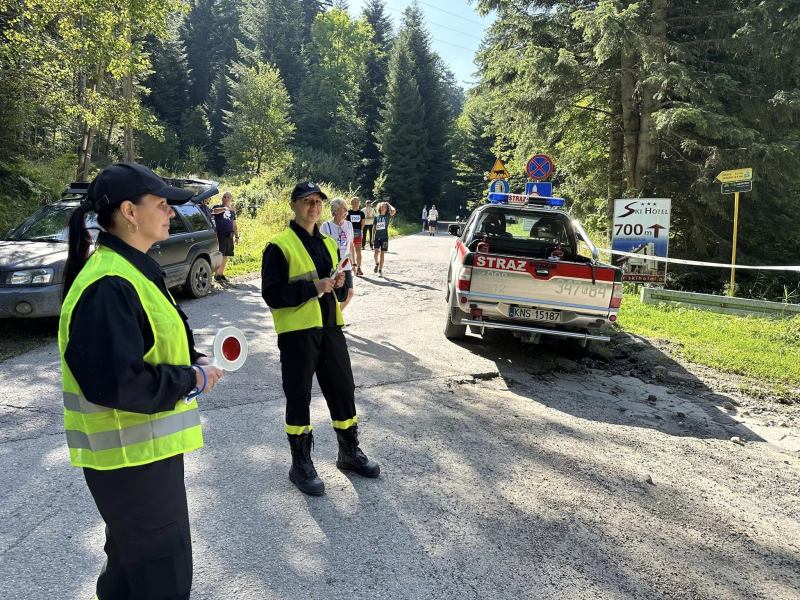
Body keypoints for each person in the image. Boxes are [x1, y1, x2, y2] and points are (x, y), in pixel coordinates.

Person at [59, 162, 224, 600]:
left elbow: (149, 341)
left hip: (141, 461)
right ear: (130, 212)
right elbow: (119, 382)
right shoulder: (108, 284)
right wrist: (190, 377)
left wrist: (194, 357)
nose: (170, 213)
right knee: (161, 582)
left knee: (131, 576)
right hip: (132, 466)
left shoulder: (130, 270)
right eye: (162, 204)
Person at [261, 181, 380, 496]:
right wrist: (315, 286)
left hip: (330, 328)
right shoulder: (279, 246)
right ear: (294, 205)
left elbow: (336, 288)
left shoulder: (328, 242)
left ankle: (349, 453)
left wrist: (338, 283)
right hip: (297, 333)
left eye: (318, 202)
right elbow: (272, 295)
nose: (314, 207)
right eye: (307, 201)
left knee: (343, 390)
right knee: (299, 396)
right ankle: (300, 465)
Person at [320, 197, 355, 310]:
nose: (346, 211)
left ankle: (337, 316)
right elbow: (321, 248)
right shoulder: (326, 226)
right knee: (331, 294)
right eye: (344, 209)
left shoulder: (349, 225)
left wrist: (353, 264)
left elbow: (351, 245)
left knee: (349, 293)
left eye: (346, 209)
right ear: (335, 211)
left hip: (346, 264)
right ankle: (332, 319)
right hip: (332, 266)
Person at [211, 191, 238, 284]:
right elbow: (214, 212)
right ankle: (216, 274)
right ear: (222, 198)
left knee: (226, 255)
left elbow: (234, 224)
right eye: (224, 197)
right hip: (220, 234)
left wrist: (237, 236)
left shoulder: (232, 211)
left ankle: (221, 274)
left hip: (229, 234)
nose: (226, 198)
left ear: (231, 199)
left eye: (228, 197)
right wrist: (225, 208)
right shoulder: (217, 207)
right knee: (220, 254)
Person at [372, 201, 397, 276]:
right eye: (382, 206)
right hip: (377, 237)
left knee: (382, 253)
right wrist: (372, 237)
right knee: (376, 252)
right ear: (380, 207)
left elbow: (394, 211)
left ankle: (380, 270)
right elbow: (374, 228)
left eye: (385, 207)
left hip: (385, 238)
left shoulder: (387, 216)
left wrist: (388, 204)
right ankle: (377, 263)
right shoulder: (376, 216)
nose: (383, 208)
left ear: (386, 209)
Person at [346, 196, 365, 276]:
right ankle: (352, 266)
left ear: (359, 203)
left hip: (358, 232)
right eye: (354, 202)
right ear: (351, 203)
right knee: (350, 250)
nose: (355, 204)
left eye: (357, 202)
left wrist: (360, 232)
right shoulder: (348, 212)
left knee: (358, 250)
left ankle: (359, 268)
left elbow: (362, 224)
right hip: (349, 232)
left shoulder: (361, 213)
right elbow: (345, 223)